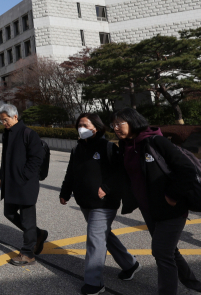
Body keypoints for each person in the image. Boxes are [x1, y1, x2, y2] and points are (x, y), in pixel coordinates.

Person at [113, 107, 201, 295]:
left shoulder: (156, 141)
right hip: (149, 210)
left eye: (119, 123)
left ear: (133, 121)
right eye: (112, 124)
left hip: (172, 208)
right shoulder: (126, 146)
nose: (115, 127)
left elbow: (187, 170)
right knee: (170, 252)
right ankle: (195, 287)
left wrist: (172, 196)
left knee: (162, 253)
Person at [59, 113, 140, 295]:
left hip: (105, 202)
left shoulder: (108, 147)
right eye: (80, 125)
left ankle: (94, 283)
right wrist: (65, 192)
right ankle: (130, 264)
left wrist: (107, 187)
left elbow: (120, 172)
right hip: (85, 201)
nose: (82, 129)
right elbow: (70, 173)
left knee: (95, 239)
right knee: (104, 235)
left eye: (86, 125)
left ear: (96, 127)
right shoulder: (77, 149)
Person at [0, 104, 48, 266]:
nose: (4, 123)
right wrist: (1, 176)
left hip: (26, 183)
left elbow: (36, 159)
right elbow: (4, 158)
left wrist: (24, 175)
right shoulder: (7, 134)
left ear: (15, 117)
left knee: (27, 219)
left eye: (6, 120)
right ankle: (38, 234)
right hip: (10, 182)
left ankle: (28, 254)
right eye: (2, 121)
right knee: (9, 212)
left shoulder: (28, 133)